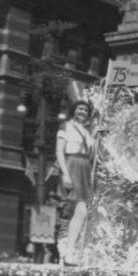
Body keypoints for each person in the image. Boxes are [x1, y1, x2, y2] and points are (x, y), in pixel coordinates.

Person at [56, 100, 96, 266]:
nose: (83, 112)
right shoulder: (66, 126)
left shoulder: (87, 131)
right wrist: (65, 174)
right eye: (80, 108)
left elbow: (93, 153)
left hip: (85, 168)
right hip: (72, 165)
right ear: (74, 110)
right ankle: (68, 251)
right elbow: (59, 151)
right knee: (79, 210)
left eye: (86, 110)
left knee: (78, 211)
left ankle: (68, 250)